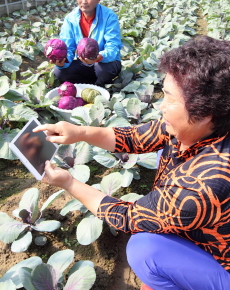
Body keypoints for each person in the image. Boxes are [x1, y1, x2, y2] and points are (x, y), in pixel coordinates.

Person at [33, 36, 230, 290]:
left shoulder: (203, 185)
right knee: (162, 151)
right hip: (198, 217)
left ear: (205, 113)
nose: (161, 106)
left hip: (221, 263)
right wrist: (78, 132)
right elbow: (134, 138)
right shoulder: (198, 128)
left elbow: (127, 217)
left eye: (169, 99)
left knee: (144, 249)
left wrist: (69, 182)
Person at [53, 0, 122, 87]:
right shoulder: (70, 19)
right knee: (59, 72)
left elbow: (113, 48)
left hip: (104, 62)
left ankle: (95, 88)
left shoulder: (109, 17)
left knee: (102, 70)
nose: (84, 1)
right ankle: (91, 83)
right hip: (83, 62)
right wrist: (63, 60)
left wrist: (98, 57)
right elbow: (68, 48)